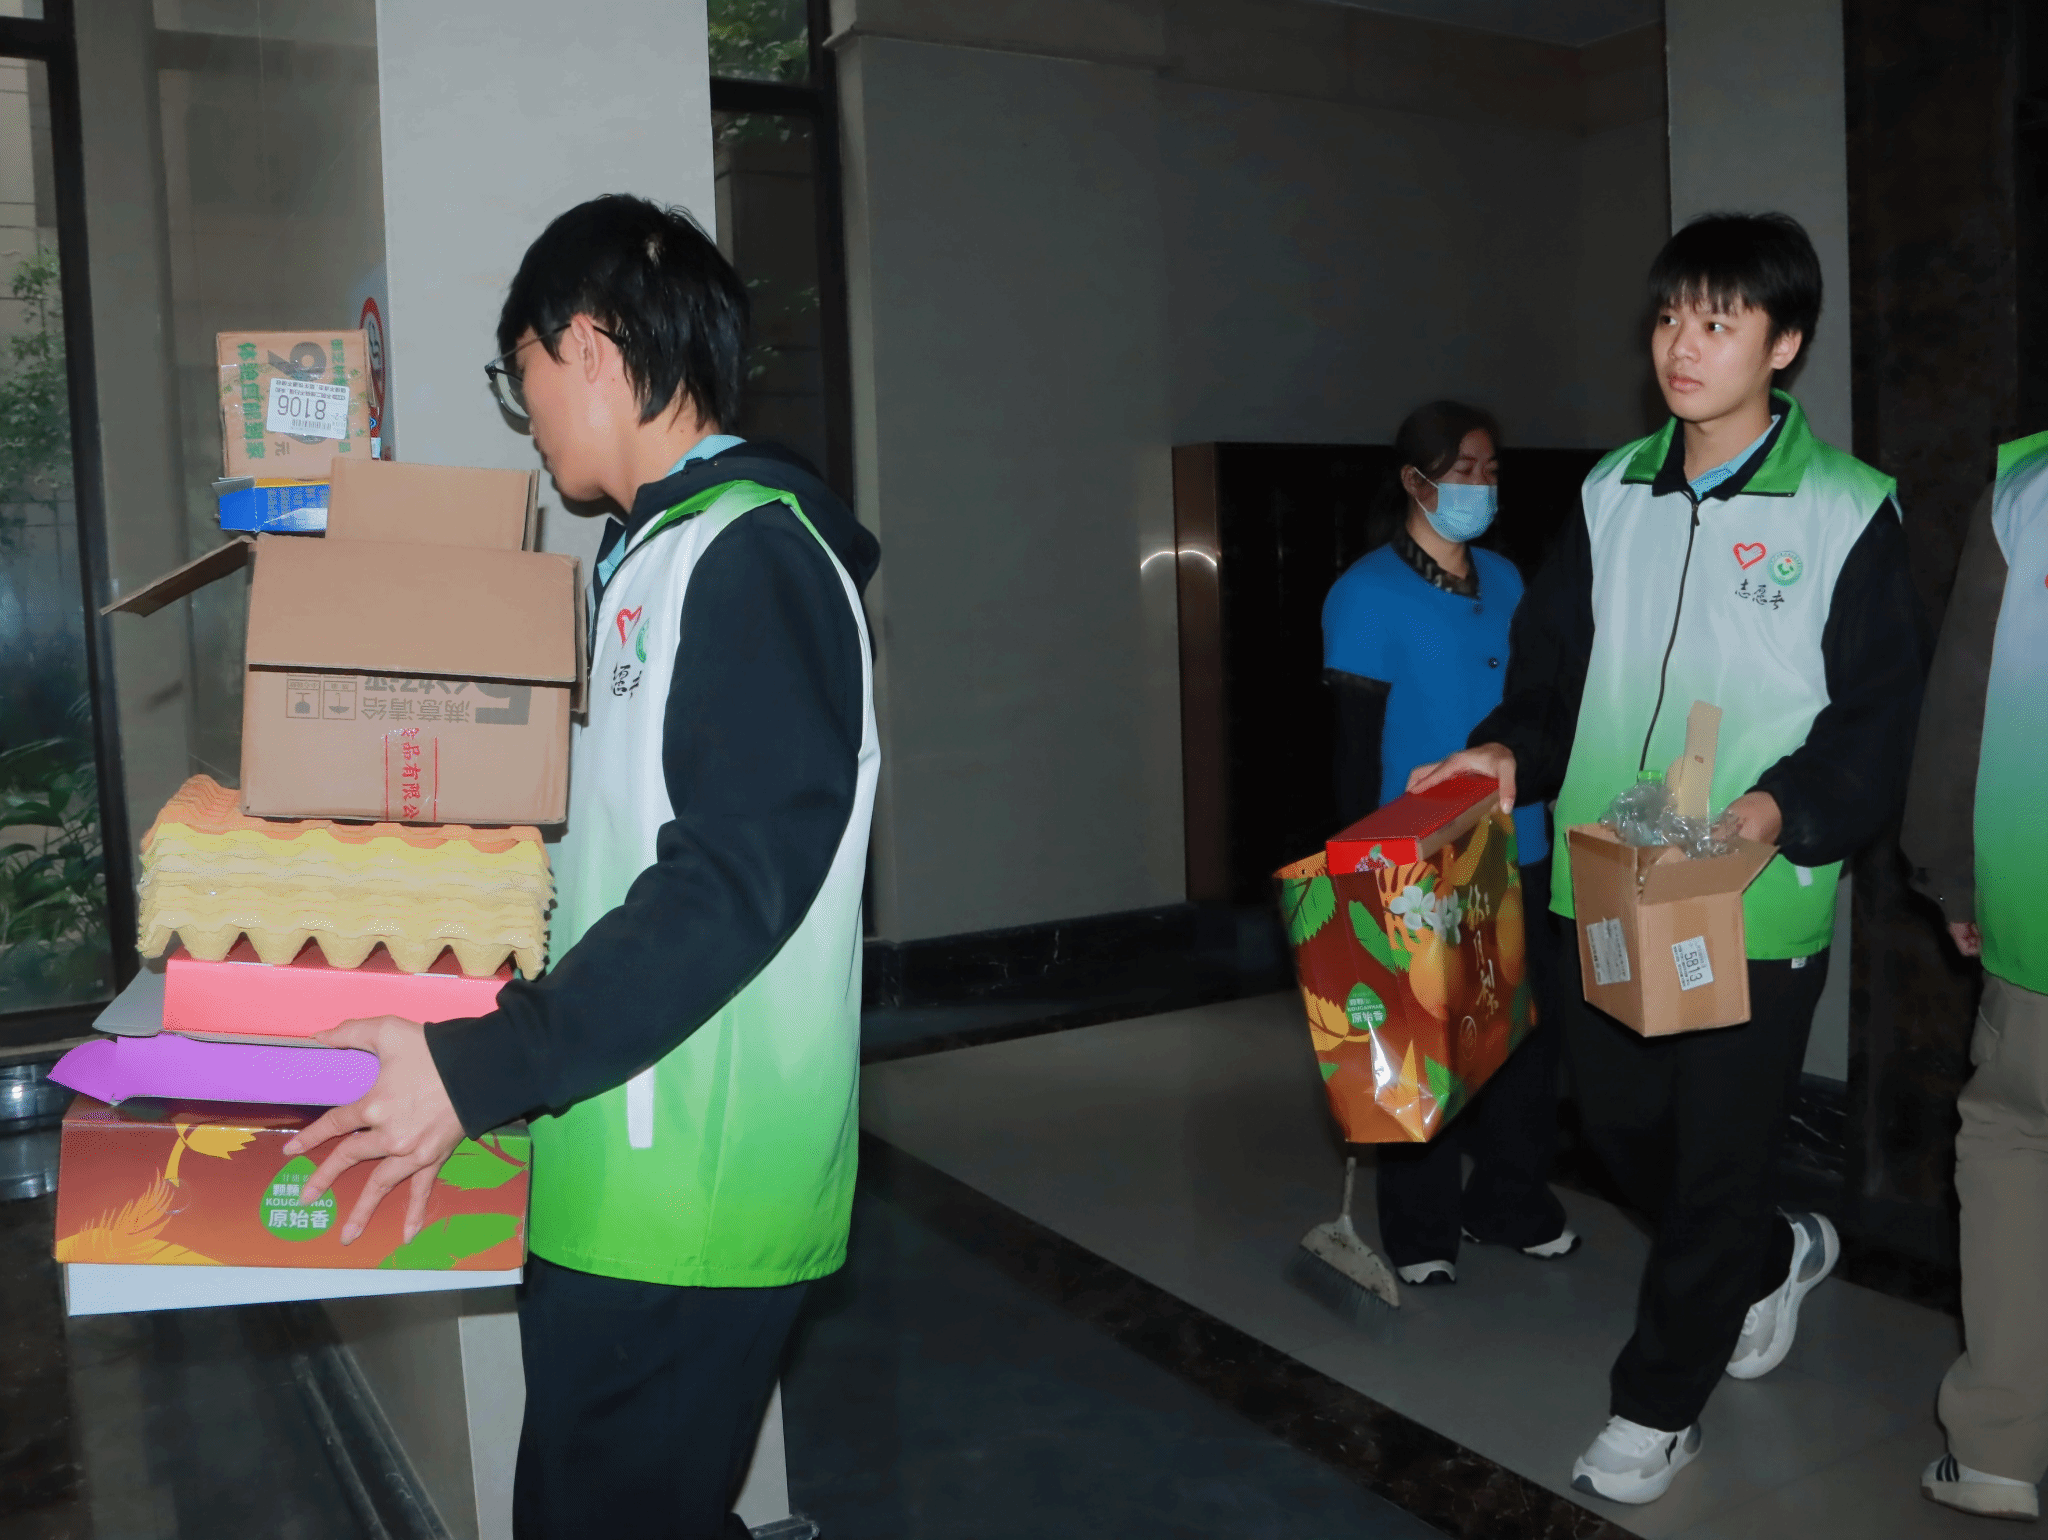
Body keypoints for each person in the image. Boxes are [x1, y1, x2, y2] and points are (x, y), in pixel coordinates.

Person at [280, 195, 881, 1538]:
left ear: (589, 347)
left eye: (523, 378)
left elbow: (732, 881)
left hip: (701, 1175)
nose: (528, 414)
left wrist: (486, 1064)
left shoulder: (752, 558)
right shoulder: (645, 557)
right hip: (617, 1144)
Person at [1411, 212, 1923, 1504]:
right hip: (1609, 876)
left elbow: (1876, 715)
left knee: (1714, 1153)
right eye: (1667, 318)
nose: (1681, 347)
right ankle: (1766, 1257)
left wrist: (1778, 810)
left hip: (1747, 889)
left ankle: (1656, 1405)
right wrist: (1507, 751)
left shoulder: (1845, 509)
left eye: (1717, 321)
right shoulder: (1610, 493)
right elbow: (1553, 671)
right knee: (1621, 1126)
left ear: (1783, 344)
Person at [1322, 400, 1578, 1286]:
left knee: (1523, 1042)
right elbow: (1353, 749)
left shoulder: (1508, 579)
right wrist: (1353, 870)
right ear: (1415, 480)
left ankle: (1511, 1202)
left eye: (1491, 470)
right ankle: (1420, 1228)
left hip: (1519, 840)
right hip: (1417, 857)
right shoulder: (1365, 594)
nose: (1481, 486)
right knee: (1424, 1049)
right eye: (1463, 470)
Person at [1901, 432, 2048, 1522]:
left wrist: (1949, 871)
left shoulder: (2026, 494)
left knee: (2014, 1149)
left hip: (2036, 912)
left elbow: (1962, 705)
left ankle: (1997, 1445)